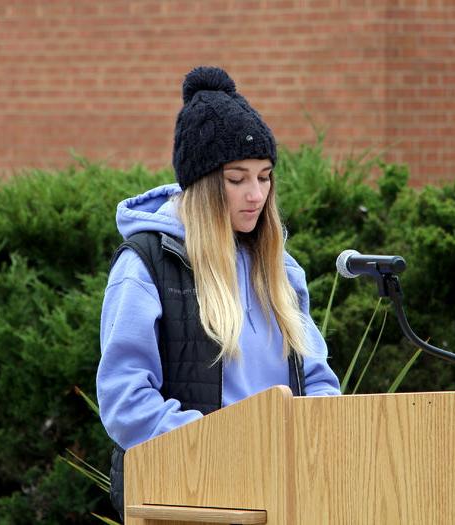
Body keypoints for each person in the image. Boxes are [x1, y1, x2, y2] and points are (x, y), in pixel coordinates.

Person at [96, 66, 341, 520]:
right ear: (205, 183)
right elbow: (125, 399)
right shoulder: (146, 265)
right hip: (190, 494)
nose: (256, 195)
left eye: (265, 177)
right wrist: (215, 448)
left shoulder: (281, 269)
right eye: (237, 179)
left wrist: (315, 441)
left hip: (285, 491)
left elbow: (318, 382)